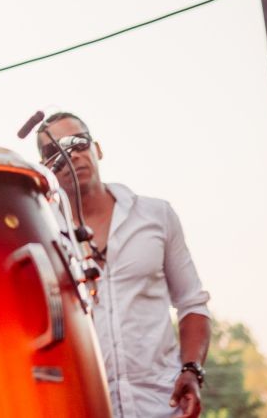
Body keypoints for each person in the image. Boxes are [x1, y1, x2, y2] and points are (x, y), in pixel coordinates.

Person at [36, 112, 211, 418]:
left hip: (163, 405)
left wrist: (192, 370)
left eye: (78, 142)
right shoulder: (41, 232)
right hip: (84, 407)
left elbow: (192, 303)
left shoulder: (156, 215)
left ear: (97, 149)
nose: (71, 155)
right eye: (56, 150)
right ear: (44, 168)